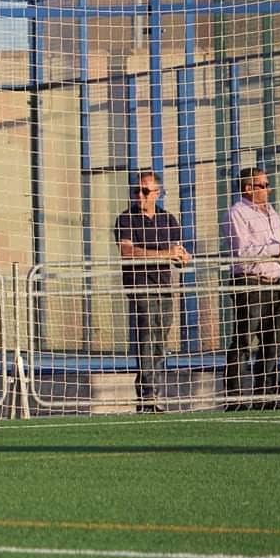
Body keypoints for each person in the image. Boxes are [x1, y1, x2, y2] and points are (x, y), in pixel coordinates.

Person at [114, 172, 190, 413]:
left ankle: (153, 393)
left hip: (164, 286)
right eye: (136, 191)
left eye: (145, 191)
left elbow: (178, 254)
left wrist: (183, 257)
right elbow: (127, 251)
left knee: (160, 339)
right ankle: (147, 397)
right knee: (147, 335)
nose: (140, 196)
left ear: (157, 194)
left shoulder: (168, 219)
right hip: (140, 284)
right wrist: (164, 254)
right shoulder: (126, 219)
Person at [223, 167, 280, 410]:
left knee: (274, 341)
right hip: (250, 282)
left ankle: (265, 396)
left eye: (267, 184)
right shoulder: (237, 212)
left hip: (276, 283)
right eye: (263, 185)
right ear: (248, 188)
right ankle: (235, 399)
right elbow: (243, 253)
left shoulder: (270, 211)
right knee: (245, 340)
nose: (268, 189)